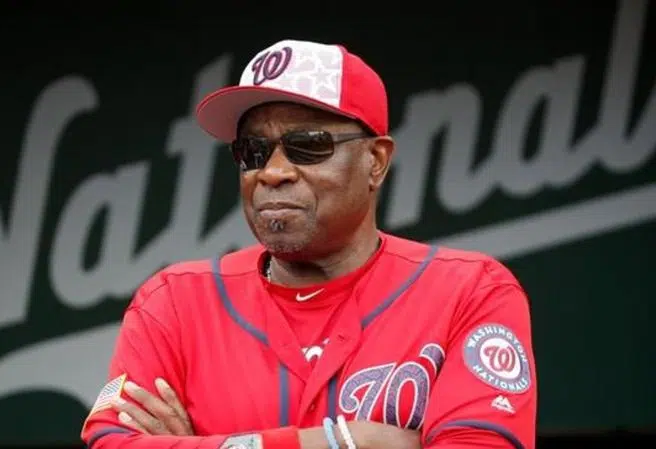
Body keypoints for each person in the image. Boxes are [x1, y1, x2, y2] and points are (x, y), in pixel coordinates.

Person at [80, 39, 537, 449]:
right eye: (252, 152)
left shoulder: (470, 291)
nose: (272, 171)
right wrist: (344, 443)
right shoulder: (172, 301)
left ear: (375, 162)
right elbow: (109, 441)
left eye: (308, 146)